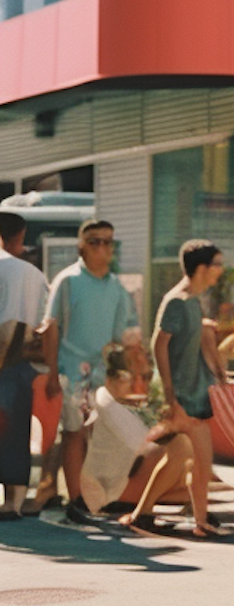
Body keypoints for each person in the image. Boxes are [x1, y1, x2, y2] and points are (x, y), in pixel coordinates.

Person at [40, 219, 140, 525]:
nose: (103, 248)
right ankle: (76, 499)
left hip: (102, 375)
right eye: (95, 241)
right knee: (74, 434)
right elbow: (50, 328)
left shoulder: (116, 287)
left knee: (98, 437)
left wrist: (127, 374)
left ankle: (96, 497)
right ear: (81, 246)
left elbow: (121, 338)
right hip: (72, 370)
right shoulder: (67, 280)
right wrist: (53, 373)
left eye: (108, 242)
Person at [153, 240, 230, 539]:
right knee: (201, 460)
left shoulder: (192, 302)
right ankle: (200, 520)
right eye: (217, 264)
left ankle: (143, 513)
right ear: (202, 268)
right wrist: (170, 395)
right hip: (183, 396)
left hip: (193, 392)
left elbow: (193, 340)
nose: (221, 271)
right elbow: (159, 346)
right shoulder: (179, 300)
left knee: (180, 460)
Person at [79, 345, 195, 535]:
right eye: (127, 376)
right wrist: (171, 426)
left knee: (188, 445)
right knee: (182, 445)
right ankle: (143, 512)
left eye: (146, 376)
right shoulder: (105, 400)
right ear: (110, 377)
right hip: (113, 488)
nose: (138, 384)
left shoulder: (132, 405)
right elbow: (141, 442)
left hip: (124, 480)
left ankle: (189, 500)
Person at [0, 211, 48, 519]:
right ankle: (13, 502)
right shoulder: (31, 274)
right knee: (15, 432)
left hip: (6, 357)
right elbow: (44, 322)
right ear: (20, 235)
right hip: (20, 361)